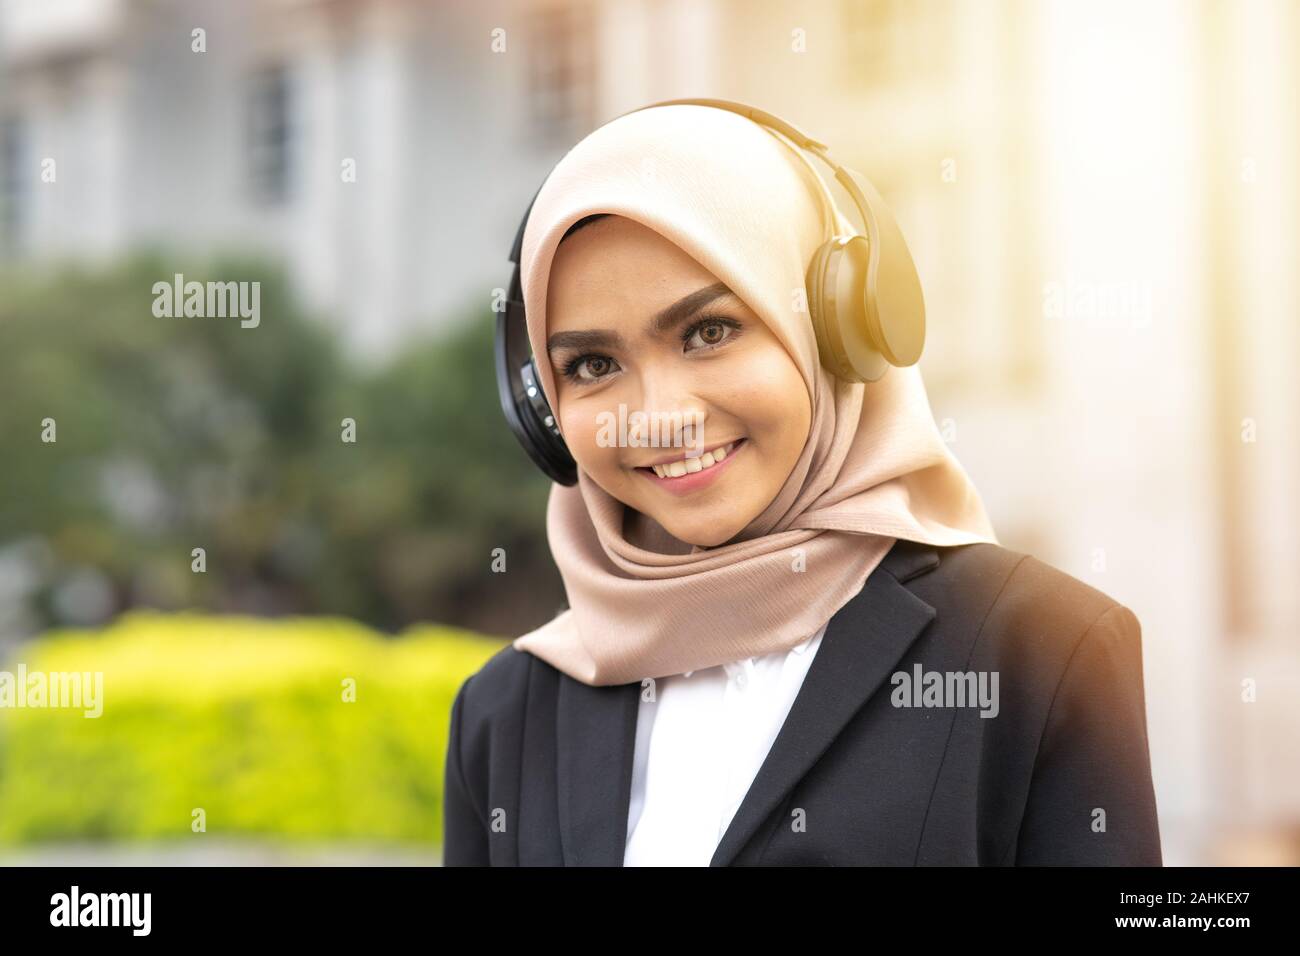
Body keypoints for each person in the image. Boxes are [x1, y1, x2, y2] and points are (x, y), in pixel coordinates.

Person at [442, 102, 1161, 866]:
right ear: (543, 411)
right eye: (593, 365)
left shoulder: (1041, 651)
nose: (660, 419)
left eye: (709, 332)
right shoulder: (504, 716)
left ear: (836, 328)